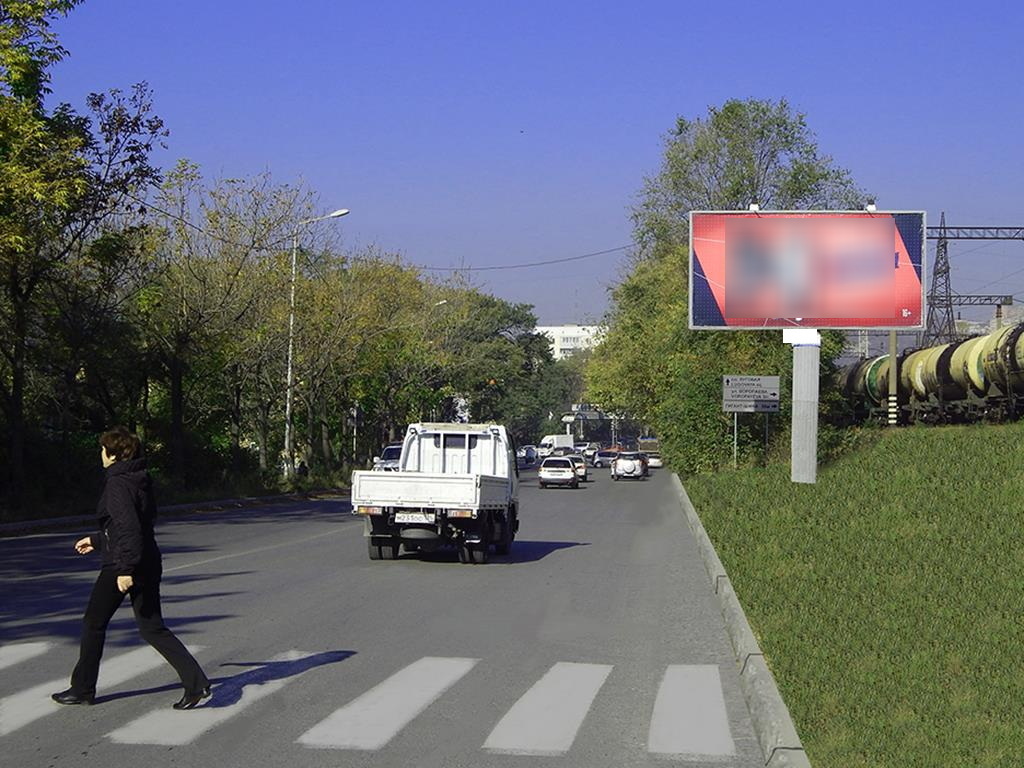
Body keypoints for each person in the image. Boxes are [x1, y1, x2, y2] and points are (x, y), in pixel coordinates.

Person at [51, 426, 212, 710]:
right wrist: (96, 540)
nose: (101, 454)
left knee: (93, 623)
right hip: (146, 559)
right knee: (152, 627)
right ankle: (196, 683)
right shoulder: (139, 479)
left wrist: (125, 570)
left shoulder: (117, 483)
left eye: (103, 449)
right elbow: (133, 524)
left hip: (123, 563)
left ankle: (82, 689)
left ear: (113, 454)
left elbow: (129, 528)